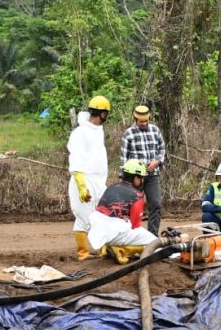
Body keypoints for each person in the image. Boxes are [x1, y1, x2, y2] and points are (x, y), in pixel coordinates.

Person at [87, 159, 158, 264]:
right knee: (154, 243)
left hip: (95, 231)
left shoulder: (110, 187)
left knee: (122, 227)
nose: (142, 181)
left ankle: (107, 248)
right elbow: (135, 225)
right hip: (115, 233)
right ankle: (122, 250)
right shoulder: (137, 195)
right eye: (141, 177)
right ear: (136, 177)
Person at [67, 95, 110, 261]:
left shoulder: (98, 131)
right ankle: (83, 253)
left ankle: (102, 250)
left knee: (102, 216)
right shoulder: (80, 132)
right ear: (102, 114)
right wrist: (81, 186)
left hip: (99, 181)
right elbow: (76, 160)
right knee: (84, 217)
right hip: (84, 181)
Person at [120, 105, 166, 236]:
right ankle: (132, 235)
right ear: (135, 119)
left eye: (147, 121)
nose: (145, 123)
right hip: (135, 178)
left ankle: (152, 236)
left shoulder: (155, 130)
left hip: (152, 175)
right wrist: (124, 178)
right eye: (142, 122)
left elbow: (162, 149)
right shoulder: (128, 134)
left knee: (156, 204)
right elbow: (124, 157)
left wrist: (157, 161)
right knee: (133, 206)